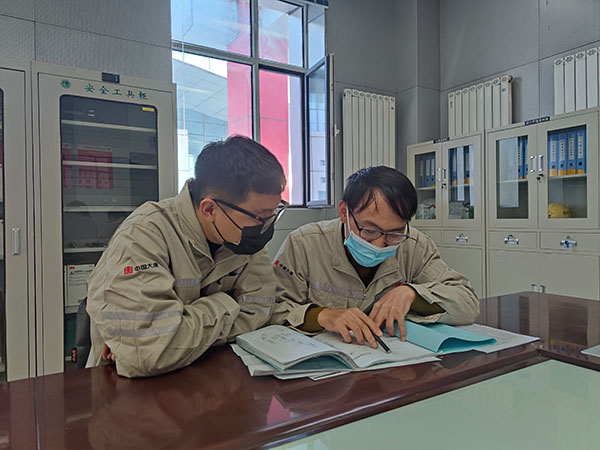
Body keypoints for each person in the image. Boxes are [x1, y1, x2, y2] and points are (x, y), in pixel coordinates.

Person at [86, 135, 288, 377]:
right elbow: (152, 352)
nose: (267, 225)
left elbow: (260, 312)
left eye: (274, 213)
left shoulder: (244, 239)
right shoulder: (144, 234)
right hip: (131, 389)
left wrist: (182, 327)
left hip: (213, 378)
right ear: (210, 209)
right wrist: (227, 302)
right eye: (260, 216)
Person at [271, 166, 479, 349]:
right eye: (370, 231)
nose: (379, 245)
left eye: (394, 234)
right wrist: (322, 316)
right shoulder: (304, 244)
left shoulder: (415, 245)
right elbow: (272, 309)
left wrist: (411, 294)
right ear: (344, 212)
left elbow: (467, 302)